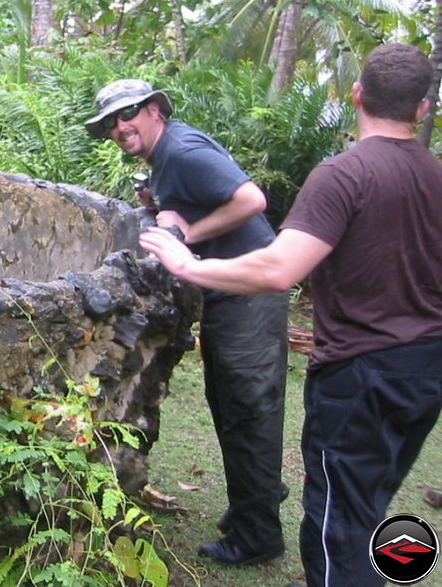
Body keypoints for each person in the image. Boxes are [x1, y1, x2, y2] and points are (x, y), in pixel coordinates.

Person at [139, 43, 442, 587]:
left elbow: (281, 269)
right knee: (367, 503)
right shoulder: (435, 175)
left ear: (356, 94)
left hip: (362, 372)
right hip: (425, 369)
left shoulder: (343, 175)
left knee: (338, 528)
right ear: (422, 108)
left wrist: (188, 263)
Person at [85, 78, 289, 566]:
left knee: (246, 410)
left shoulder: (181, 150)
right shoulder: (168, 156)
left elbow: (251, 201)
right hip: (233, 293)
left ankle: (258, 534)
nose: (119, 127)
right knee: (231, 404)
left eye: (127, 114)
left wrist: (187, 237)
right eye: (111, 122)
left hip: (250, 295)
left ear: (155, 109)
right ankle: (253, 504)